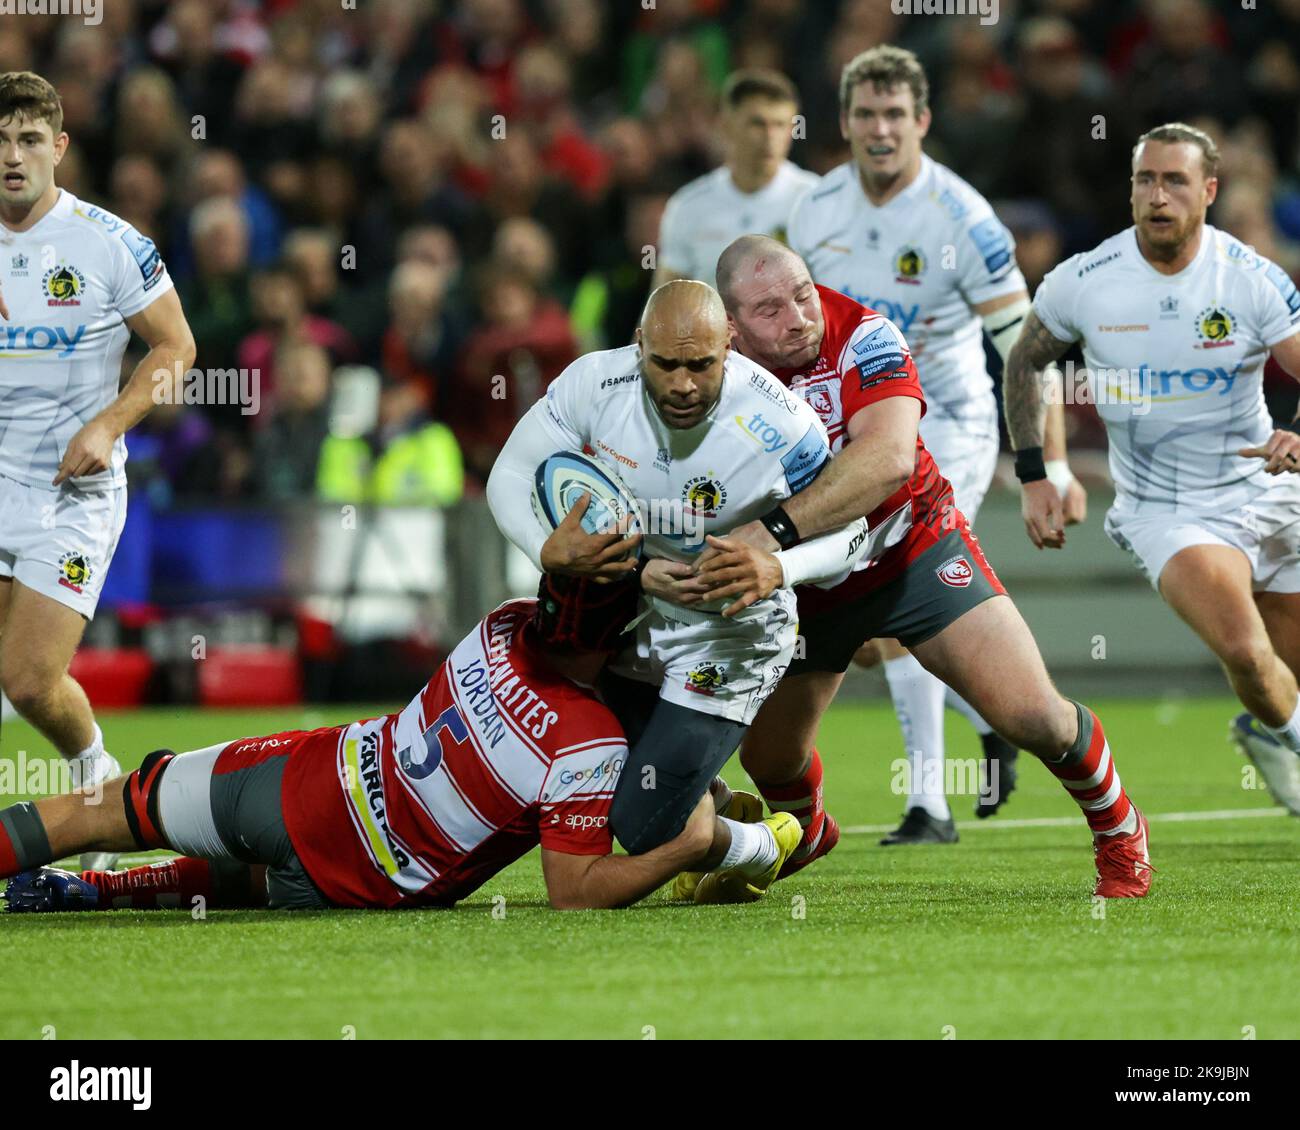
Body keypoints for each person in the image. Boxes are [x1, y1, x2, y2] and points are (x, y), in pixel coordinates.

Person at [711, 235, 1153, 898]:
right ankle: (803, 831)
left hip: (912, 549)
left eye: (802, 294)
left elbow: (887, 460)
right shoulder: (712, 370)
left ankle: (1119, 829)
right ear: (730, 324)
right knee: (769, 756)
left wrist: (773, 532)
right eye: (769, 309)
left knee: (1033, 718)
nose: (798, 316)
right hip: (807, 586)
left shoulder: (866, 334)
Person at [2, 575, 799, 913]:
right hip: (360, 881)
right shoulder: (590, 744)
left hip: (293, 782)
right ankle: (92, 895)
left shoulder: (503, 621)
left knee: (94, 811)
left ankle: (86, 884)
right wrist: (688, 842)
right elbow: (574, 892)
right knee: (250, 882)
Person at [486, 279, 869, 902]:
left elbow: (855, 532)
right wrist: (543, 547)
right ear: (639, 346)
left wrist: (780, 569)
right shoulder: (594, 383)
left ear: (731, 345)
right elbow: (510, 469)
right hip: (630, 620)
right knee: (584, 758)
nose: (683, 384)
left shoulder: (781, 422)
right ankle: (727, 812)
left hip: (731, 637)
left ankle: (766, 841)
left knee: (641, 828)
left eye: (702, 364)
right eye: (665, 364)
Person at [787, 45, 1085, 842]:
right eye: (865, 115)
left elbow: (1026, 349)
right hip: (853, 425)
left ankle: (929, 803)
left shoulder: (964, 220)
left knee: (890, 607)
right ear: (845, 122)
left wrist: (1045, 465)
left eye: (895, 115)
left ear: (921, 121)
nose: (880, 131)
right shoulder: (816, 212)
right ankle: (989, 717)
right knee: (867, 642)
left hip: (946, 421)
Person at [1005, 122, 1300, 816]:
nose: (1157, 196)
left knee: (1281, 669)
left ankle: (1267, 732)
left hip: (1266, 485)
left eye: (1174, 181)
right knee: (1247, 650)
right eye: (1145, 180)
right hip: (1167, 506)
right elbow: (1027, 360)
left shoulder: (1251, 278)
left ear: (1209, 191)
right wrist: (1036, 472)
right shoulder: (1087, 279)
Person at [0, 72, 196, 870]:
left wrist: (108, 423)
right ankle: (96, 792)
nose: (12, 157)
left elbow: (178, 350)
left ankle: (99, 781)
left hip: (69, 494)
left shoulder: (108, 243)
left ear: (59, 147)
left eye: (28, 141)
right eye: (1, 143)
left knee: (27, 682)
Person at [652, 69, 817, 289]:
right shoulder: (688, 206)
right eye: (757, 124)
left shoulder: (815, 200)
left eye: (780, 125)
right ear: (726, 126)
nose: (770, 137)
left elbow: (836, 300)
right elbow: (665, 300)